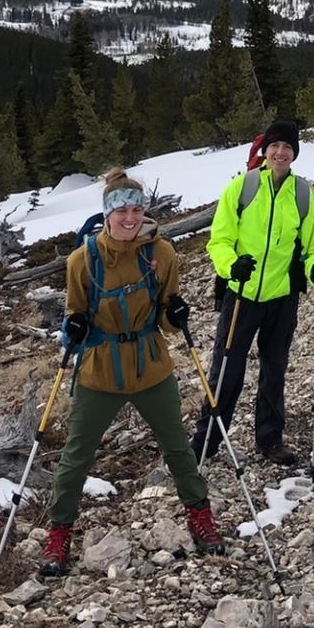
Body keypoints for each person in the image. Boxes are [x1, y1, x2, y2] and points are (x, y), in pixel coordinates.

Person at [41, 170, 224, 576]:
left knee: (177, 446)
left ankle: (199, 515)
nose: (129, 218)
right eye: (121, 210)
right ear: (107, 212)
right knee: (77, 455)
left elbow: (167, 317)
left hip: (150, 366)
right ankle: (59, 532)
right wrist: (73, 328)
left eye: (137, 209)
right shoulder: (82, 259)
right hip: (99, 371)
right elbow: (74, 312)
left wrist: (176, 315)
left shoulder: (163, 254)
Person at [191, 117, 314, 467]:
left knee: (275, 369)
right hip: (241, 294)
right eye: (275, 146)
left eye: (287, 147)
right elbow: (219, 240)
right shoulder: (242, 188)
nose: (280, 152)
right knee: (226, 370)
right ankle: (207, 439)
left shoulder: (302, 194)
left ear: (294, 153)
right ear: (265, 150)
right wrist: (231, 266)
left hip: (282, 298)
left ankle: (270, 440)